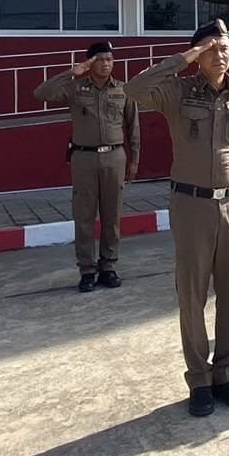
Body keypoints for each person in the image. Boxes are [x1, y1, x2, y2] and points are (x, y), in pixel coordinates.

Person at [125, 20, 229, 417]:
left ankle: (226, 372)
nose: (220, 55)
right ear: (198, 54)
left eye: (225, 47)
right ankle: (199, 378)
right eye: (211, 48)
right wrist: (184, 58)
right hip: (191, 206)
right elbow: (134, 89)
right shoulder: (178, 91)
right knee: (192, 296)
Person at [34, 42, 141, 292]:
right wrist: (72, 72)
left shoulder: (123, 89)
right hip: (84, 158)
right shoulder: (75, 88)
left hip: (115, 157)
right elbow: (41, 93)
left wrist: (134, 160)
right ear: (90, 63)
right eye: (100, 59)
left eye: (109, 59)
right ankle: (87, 270)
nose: (106, 64)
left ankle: (108, 266)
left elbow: (133, 127)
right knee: (84, 216)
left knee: (112, 215)